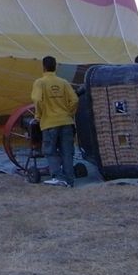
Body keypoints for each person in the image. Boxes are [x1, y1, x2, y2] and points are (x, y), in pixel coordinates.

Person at [31, 55, 79, 187]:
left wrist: (38, 116)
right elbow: (74, 100)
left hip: (49, 123)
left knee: (50, 151)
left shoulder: (40, 82)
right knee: (67, 152)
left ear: (44, 67)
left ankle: (58, 177)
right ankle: (70, 180)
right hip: (67, 122)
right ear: (55, 66)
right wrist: (69, 114)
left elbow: (38, 100)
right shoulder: (63, 82)